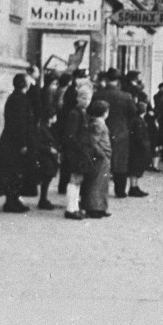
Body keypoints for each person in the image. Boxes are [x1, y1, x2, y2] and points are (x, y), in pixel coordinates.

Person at [0, 73, 37, 213]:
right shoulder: (20, 99)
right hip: (16, 142)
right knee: (14, 172)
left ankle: (14, 199)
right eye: (28, 81)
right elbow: (20, 123)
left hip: (11, 140)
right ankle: (11, 201)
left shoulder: (15, 97)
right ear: (24, 84)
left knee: (15, 172)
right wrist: (23, 143)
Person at [93, 68, 138, 198]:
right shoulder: (126, 96)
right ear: (118, 81)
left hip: (101, 131)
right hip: (121, 133)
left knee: (101, 161)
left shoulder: (98, 95)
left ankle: (98, 191)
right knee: (120, 164)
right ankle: (120, 191)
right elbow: (132, 114)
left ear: (106, 80)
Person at [62, 80, 94, 220]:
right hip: (76, 153)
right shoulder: (75, 114)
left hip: (81, 152)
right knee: (74, 180)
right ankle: (70, 208)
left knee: (78, 180)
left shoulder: (83, 113)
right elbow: (71, 135)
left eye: (88, 98)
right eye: (83, 98)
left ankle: (75, 207)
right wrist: (81, 149)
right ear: (77, 98)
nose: (86, 101)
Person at [83, 99, 112, 218]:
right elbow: (93, 141)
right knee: (98, 182)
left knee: (101, 182)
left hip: (102, 155)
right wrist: (101, 153)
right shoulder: (99, 124)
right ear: (105, 112)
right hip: (101, 156)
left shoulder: (96, 122)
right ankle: (95, 208)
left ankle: (99, 207)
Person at [33, 112, 61, 210]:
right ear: (50, 118)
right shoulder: (42, 129)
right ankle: (43, 199)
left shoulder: (48, 128)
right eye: (54, 116)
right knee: (46, 179)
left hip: (49, 158)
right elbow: (38, 144)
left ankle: (43, 199)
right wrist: (49, 149)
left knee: (47, 179)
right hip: (45, 158)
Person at [127, 102, 152, 197]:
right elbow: (140, 136)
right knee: (135, 169)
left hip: (134, 148)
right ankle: (133, 187)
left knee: (135, 168)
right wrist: (145, 147)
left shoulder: (135, 120)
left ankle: (134, 186)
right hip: (138, 149)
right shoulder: (139, 121)